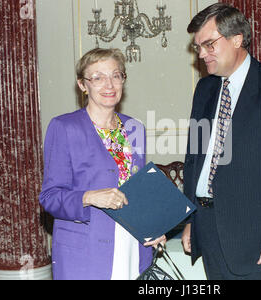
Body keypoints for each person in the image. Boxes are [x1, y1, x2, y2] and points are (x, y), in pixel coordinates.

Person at [181, 3, 261, 280]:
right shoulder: (205, 89)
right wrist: (191, 220)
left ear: (237, 39)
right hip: (210, 233)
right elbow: (195, 162)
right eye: (198, 47)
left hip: (259, 242)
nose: (202, 54)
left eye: (209, 44)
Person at [39, 48, 165, 280]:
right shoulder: (64, 127)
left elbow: (138, 191)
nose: (109, 84)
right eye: (97, 77)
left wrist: (153, 225)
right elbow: (49, 197)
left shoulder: (135, 128)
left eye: (116, 75)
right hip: (86, 252)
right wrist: (89, 197)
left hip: (132, 246)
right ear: (82, 85)